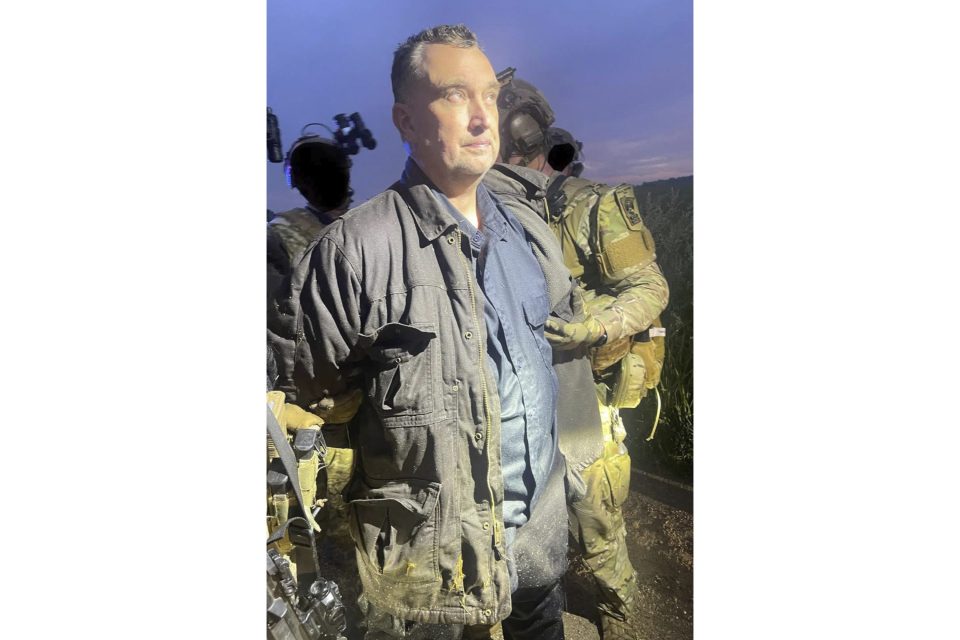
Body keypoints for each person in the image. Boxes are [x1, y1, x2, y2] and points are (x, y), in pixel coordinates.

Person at [293, 24, 601, 640]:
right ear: (405, 121)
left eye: (490, 95)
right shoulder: (352, 253)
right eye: (456, 95)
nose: (484, 117)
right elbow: (308, 403)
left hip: (538, 541)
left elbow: (558, 355)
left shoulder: (528, 233)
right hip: (433, 569)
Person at [498, 76, 670, 640]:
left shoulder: (591, 205)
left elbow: (650, 288)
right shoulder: (489, 211)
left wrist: (593, 327)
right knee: (520, 509)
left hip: (583, 387)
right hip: (519, 392)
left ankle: (617, 607)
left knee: (595, 509)